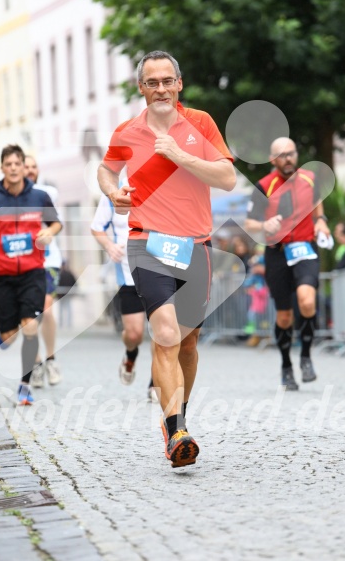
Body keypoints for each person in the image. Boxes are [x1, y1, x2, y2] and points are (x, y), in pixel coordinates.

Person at [97, 50, 236, 468]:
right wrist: (112, 191)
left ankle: (178, 418)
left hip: (196, 245)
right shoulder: (127, 131)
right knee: (167, 333)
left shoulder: (201, 123)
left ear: (179, 84)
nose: (160, 89)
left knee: (189, 345)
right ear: (141, 87)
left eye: (167, 81)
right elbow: (106, 169)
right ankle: (175, 430)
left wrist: (180, 155)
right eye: (151, 82)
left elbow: (227, 178)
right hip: (148, 242)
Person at [0, 144, 62, 404]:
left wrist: (50, 232)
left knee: (30, 326)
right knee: (10, 336)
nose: (13, 168)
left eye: (17, 164)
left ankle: (25, 384)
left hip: (33, 272)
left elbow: (56, 222)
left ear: (24, 167)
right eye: (8, 164)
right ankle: (5, 335)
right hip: (1, 275)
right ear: (2, 168)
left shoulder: (40, 196)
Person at [245, 137, 330, 390]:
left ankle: (305, 355)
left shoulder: (308, 178)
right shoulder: (263, 186)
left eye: (291, 153)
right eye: (282, 155)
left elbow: (317, 202)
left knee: (307, 300)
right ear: (273, 160)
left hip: (305, 248)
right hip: (277, 253)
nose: (289, 158)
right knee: (284, 317)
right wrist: (263, 225)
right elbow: (249, 222)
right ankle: (286, 366)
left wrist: (322, 219)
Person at [91, 192, 157, 401]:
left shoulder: (161, 185)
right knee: (134, 334)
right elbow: (97, 227)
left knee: (161, 331)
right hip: (128, 275)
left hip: (159, 272)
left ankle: (156, 382)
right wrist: (110, 246)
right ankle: (130, 354)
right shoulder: (115, 190)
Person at [24, 155, 62, 387]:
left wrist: (48, 233)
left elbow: (55, 222)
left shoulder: (47, 193)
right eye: (24, 166)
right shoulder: (10, 198)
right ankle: (36, 363)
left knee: (46, 312)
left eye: (32, 166)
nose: (29, 170)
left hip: (48, 260)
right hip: (24, 262)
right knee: (29, 316)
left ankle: (51, 358)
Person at [243, 244, 269, 347]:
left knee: (264, 317)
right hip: (256, 295)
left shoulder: (265, 260)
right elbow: (251, 273)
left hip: (265, 293)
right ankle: (254, 334)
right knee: (253, 315)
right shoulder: (255, 265)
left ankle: (266, 335)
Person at [57, 260, 77, 328]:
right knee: (65, 309)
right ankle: (65, 323)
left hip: (63, 294)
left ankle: (65, 324)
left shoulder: (60, 274)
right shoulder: (65, 274)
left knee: (64, 309)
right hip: (63, 294)